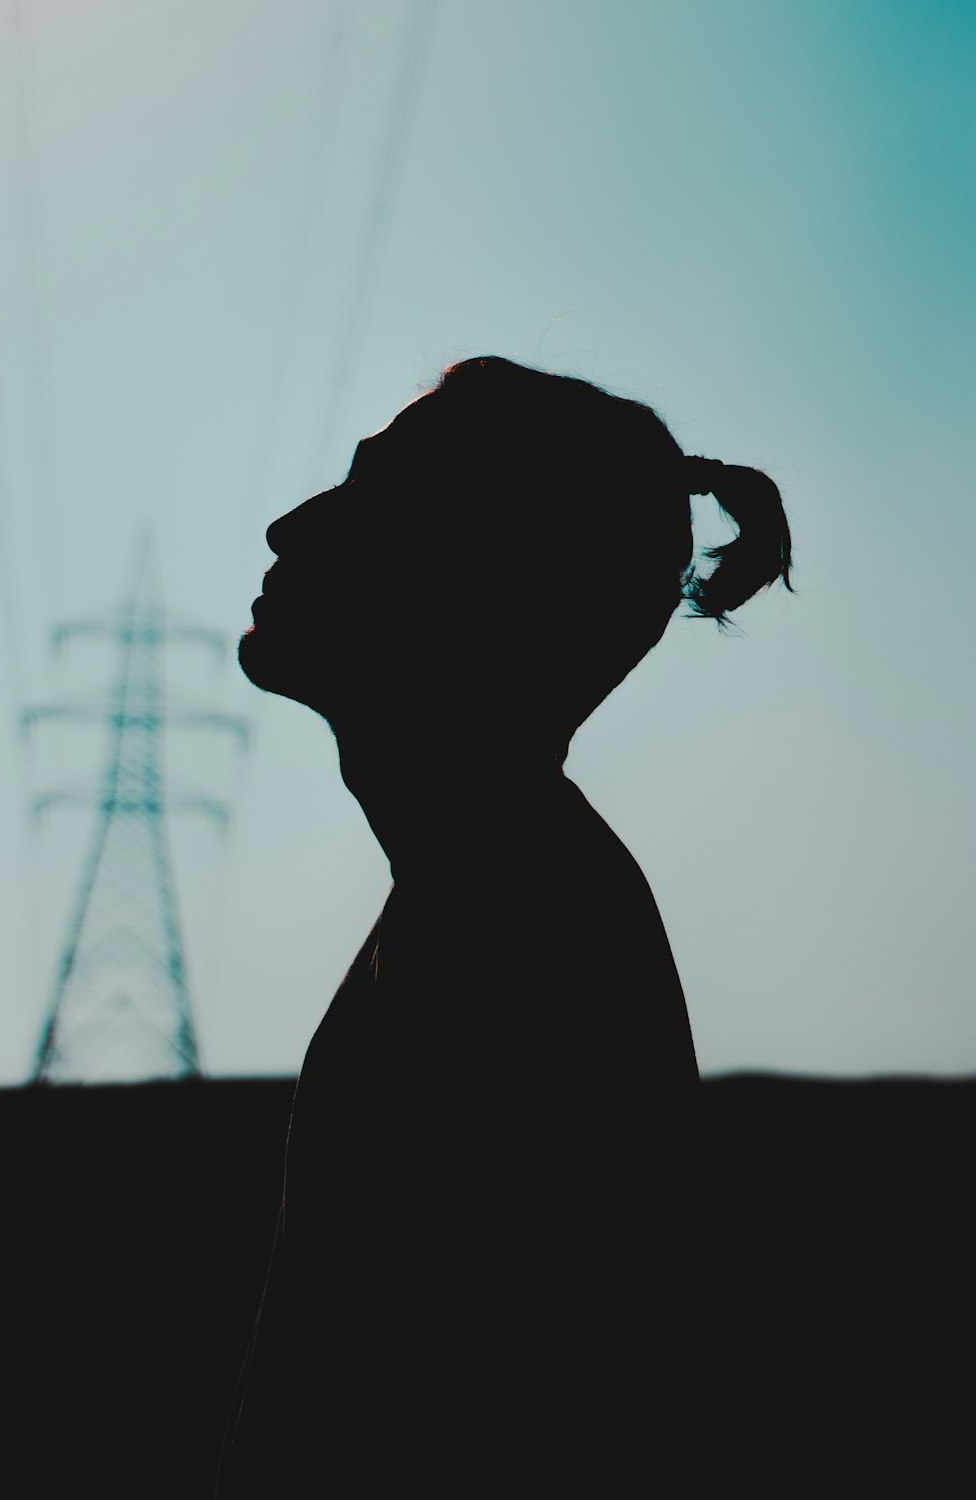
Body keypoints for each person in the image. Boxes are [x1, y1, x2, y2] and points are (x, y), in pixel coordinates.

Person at [218, 356, 793, 1493]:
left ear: (479, 576)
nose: (289, 526)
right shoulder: (494, 887)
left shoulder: (513, 930)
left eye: (366, 498)